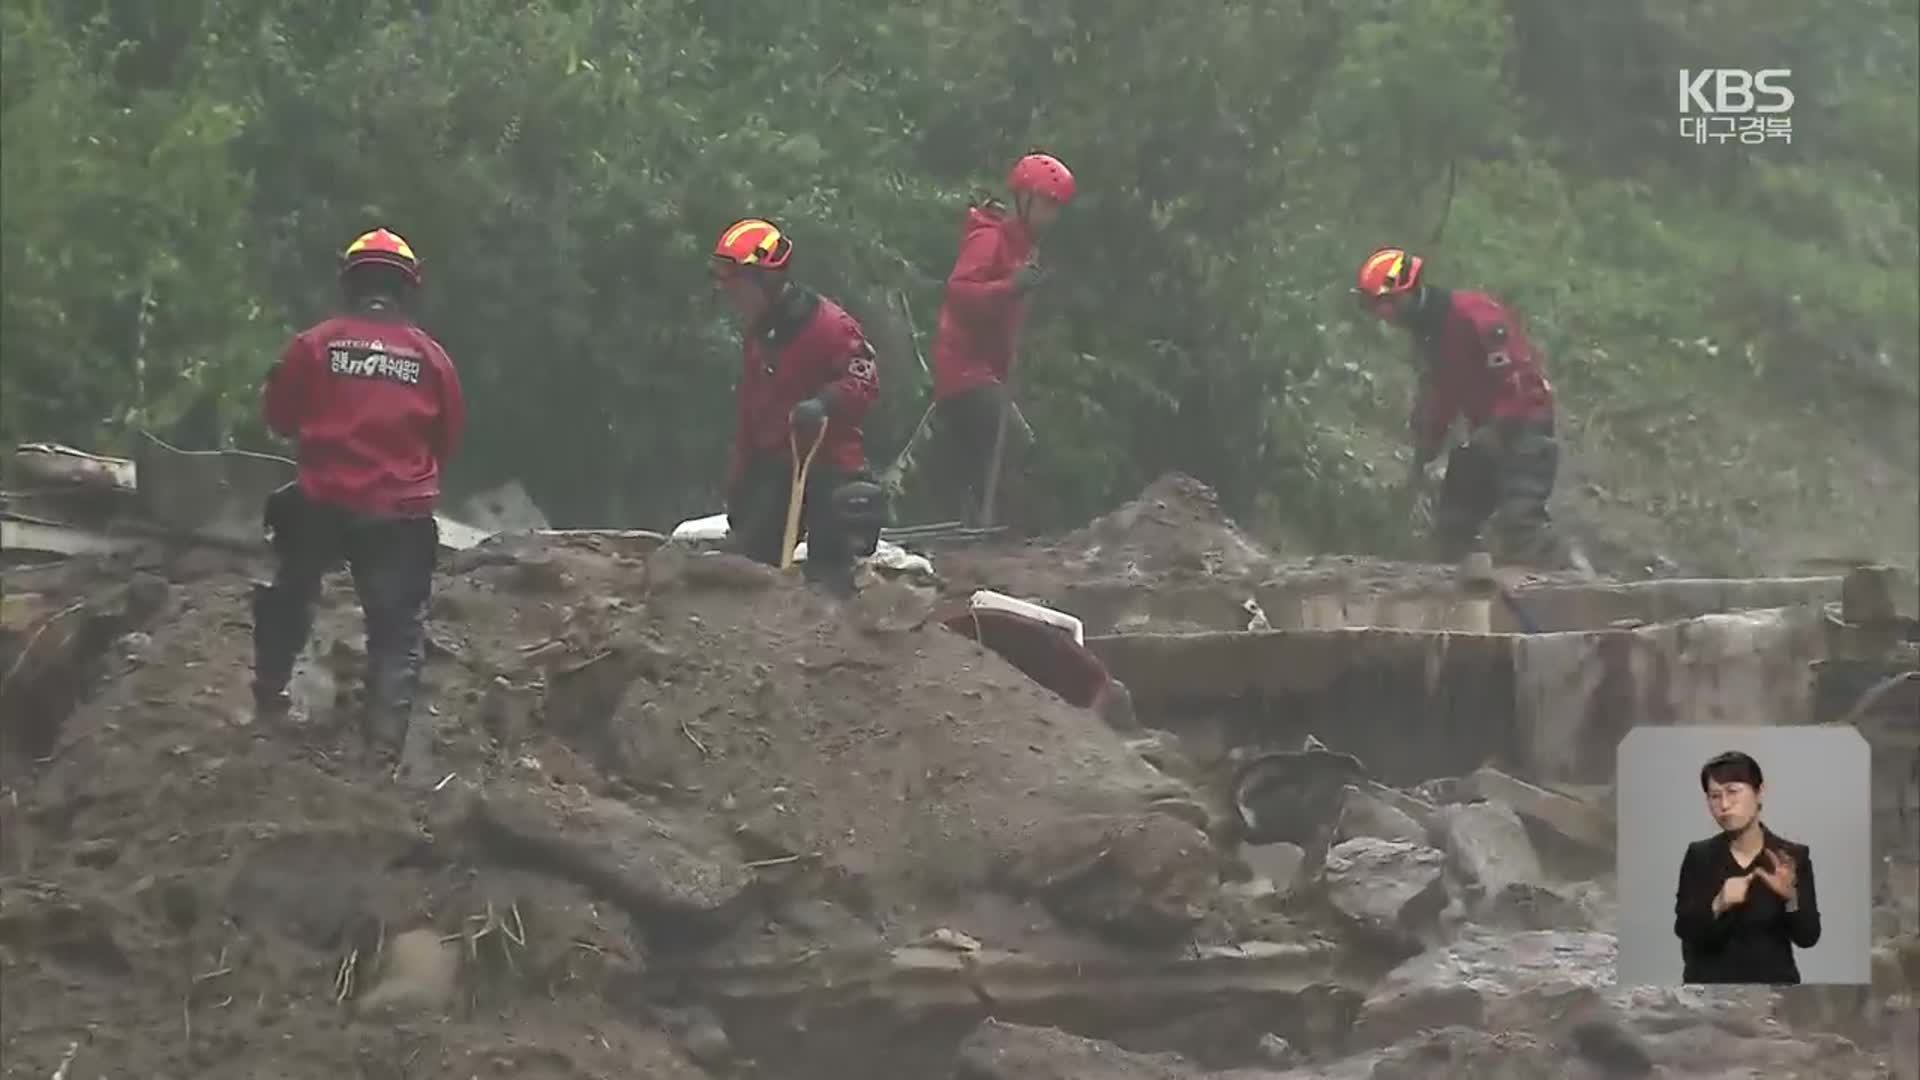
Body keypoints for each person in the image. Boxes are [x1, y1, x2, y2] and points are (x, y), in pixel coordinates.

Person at [253, 228, 464, 773]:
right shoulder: (432, 359)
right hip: (396, 514)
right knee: (396, 630)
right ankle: (382, 752)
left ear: (349, 284)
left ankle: (269, 697)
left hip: (320, 499)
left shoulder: (314, 344)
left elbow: (277, 418)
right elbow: (446, 443)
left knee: (289, 593)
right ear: (407, 288)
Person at [1353, 247, 1572, 568]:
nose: (1387, 315)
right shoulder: (1428, 337)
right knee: (1453, 524)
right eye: (1379, 308)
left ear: (1410, 291)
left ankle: (1576, 580)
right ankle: (1460, 593)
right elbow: (1440, 392)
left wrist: (1500, 426)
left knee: (1520, 525)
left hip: (1524, 427)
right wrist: (1428, 440)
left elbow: (1519, 377)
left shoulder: (1472, 314)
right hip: (1486, 432)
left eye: (1390, 304)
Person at [713, 217, 885, 597]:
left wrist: (823, 403)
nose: (733, 298)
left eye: (738, 287)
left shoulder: (830, 326)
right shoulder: (759, 337)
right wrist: (740, 483)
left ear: (767, 282)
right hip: (776, 468)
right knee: (745, 569)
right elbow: (751, 413)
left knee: (829, 577)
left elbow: (864, 379)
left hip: (829, 467)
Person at [928, 151, 1075, 530]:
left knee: (986, 459)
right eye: (1047, 205)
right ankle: (1004, 534)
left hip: (986, 370)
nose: (1052, 217)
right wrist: (1010, 287)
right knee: (1012, 443)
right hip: (962, 369)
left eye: (1057, 209)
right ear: (1024, 199)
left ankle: (979, 530)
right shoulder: (989, 238)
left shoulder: (1023, 246)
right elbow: (960, 292)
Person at [1672, 750, 1821, 984]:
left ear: (1759, 792)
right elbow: (1685, 929)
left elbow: (1808, 937)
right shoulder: (1699, 856)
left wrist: (1791, 898)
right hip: (1708, 992)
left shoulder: (1790, 857)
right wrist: (1718, 903)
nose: (1724, 805)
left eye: (1733, 792)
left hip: (1772, 991)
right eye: (1714, 796)